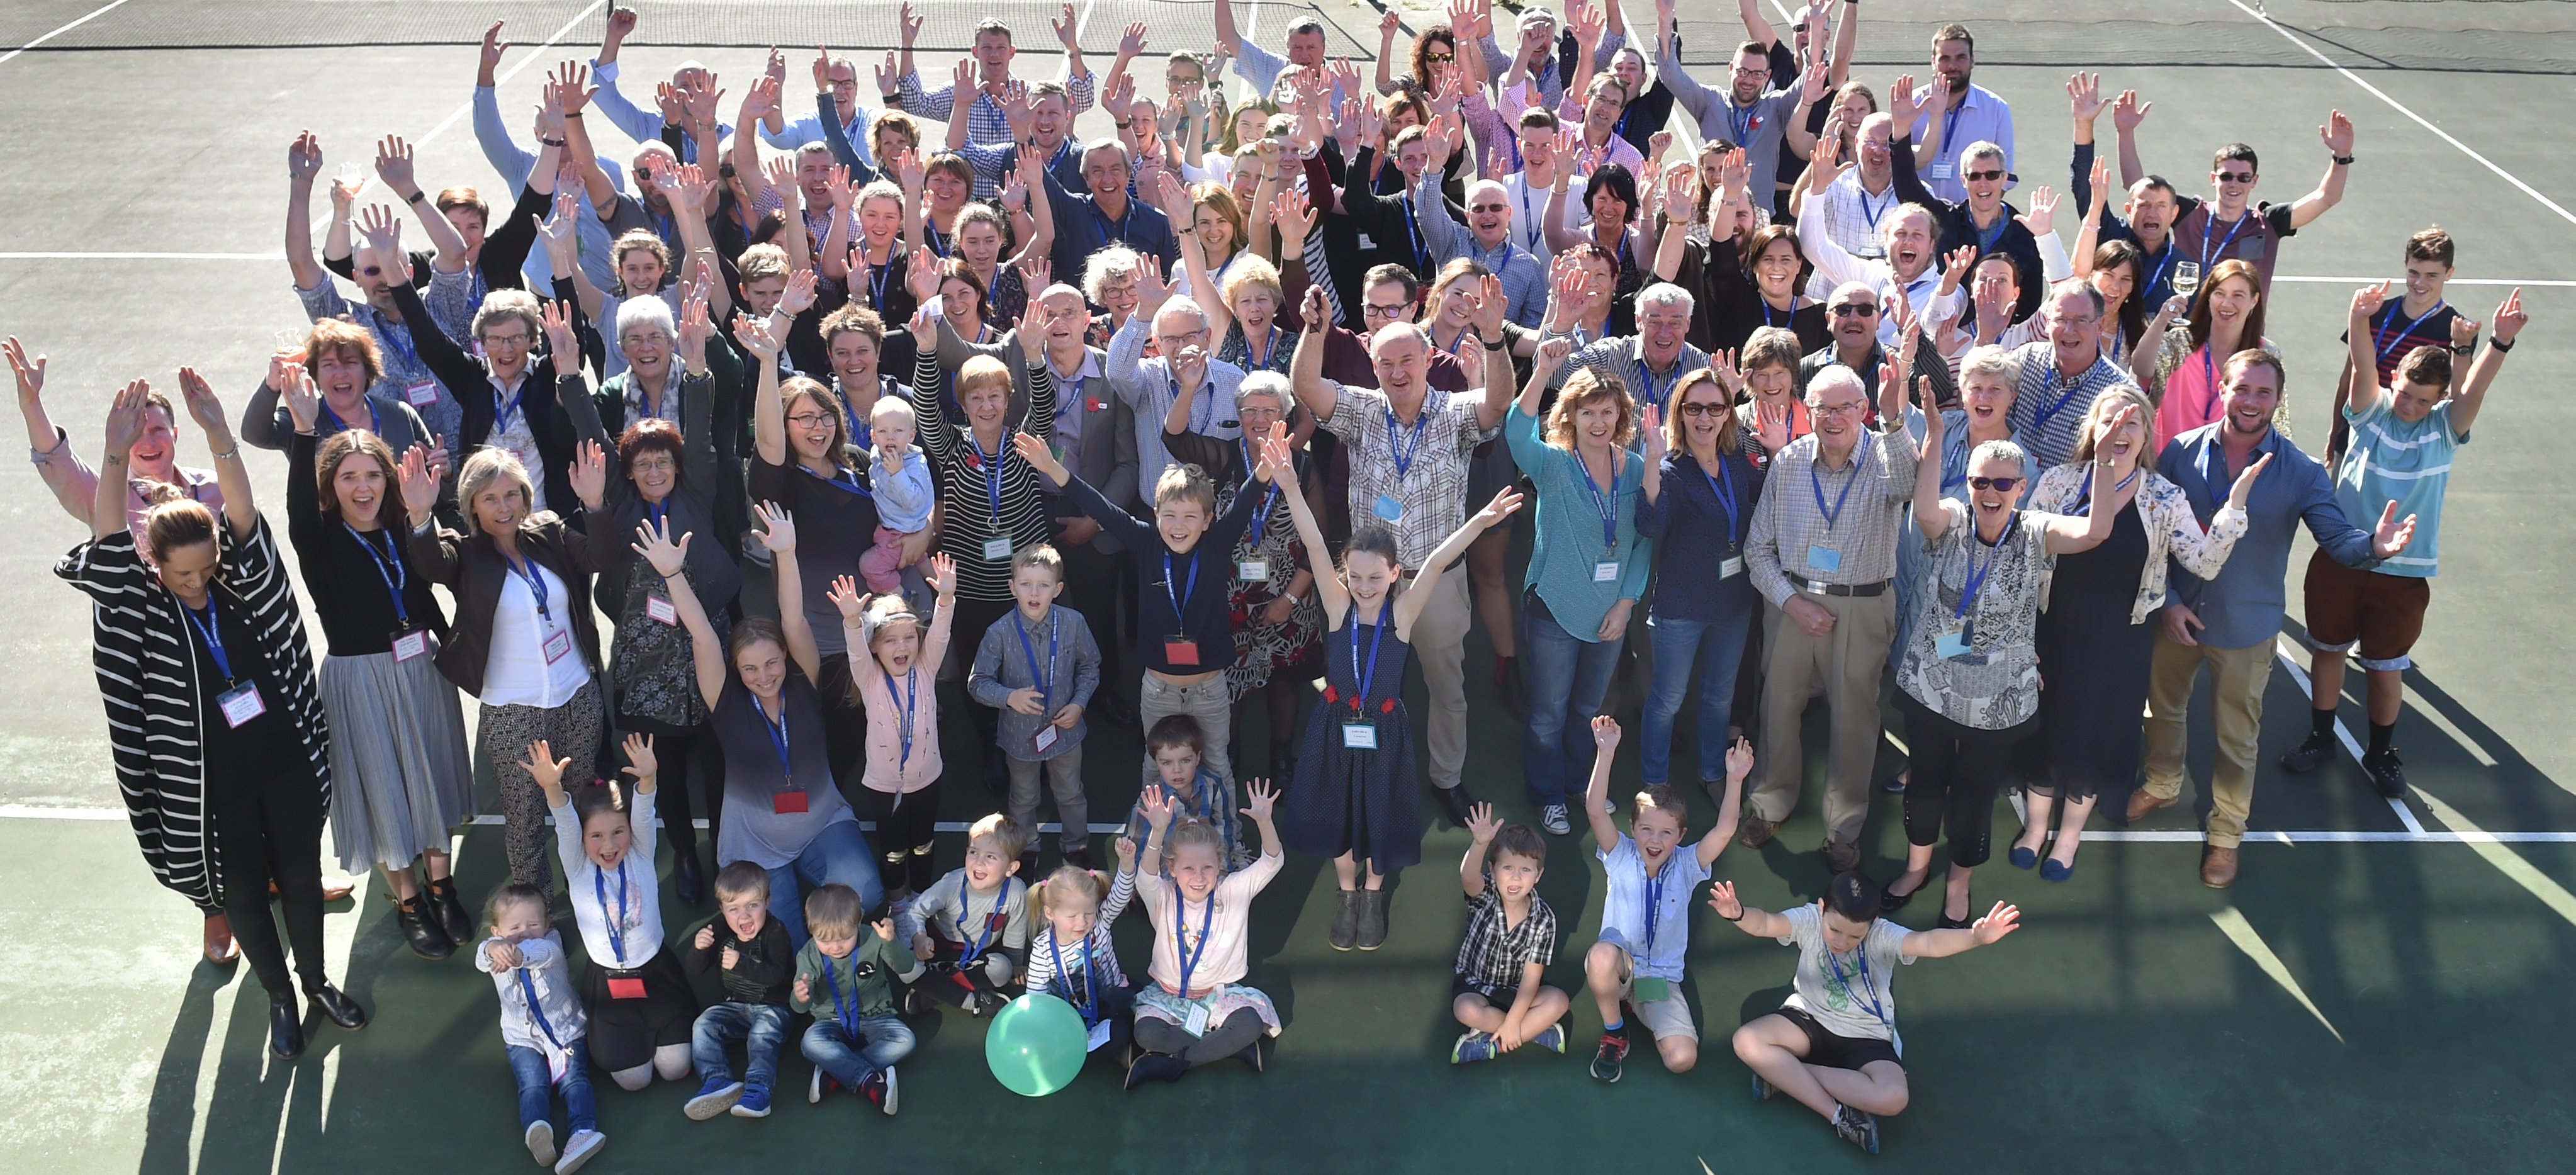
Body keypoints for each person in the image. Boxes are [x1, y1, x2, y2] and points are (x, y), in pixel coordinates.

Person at [59, 378, 364, 1059]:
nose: (199, 583)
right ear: (157, 568)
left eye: (206, 568)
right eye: (184, 574)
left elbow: (246, 512)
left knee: (301, 876)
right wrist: (113, 454)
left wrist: (219, 433)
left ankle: (315, 982)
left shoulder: (239, 583)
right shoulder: (141, 609)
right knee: (247, 898)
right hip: (211, 789)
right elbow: (110, 542)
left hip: (281, 762)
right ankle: (280, 998)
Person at [2133, 351, 2417, 888]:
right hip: (2175, 617)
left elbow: (2336, 539)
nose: (2251, 401)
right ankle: (2163, 781)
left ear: (2277, 400)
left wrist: (2374, 547)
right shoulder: (2177, 454)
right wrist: (2168, 598)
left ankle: (2225, 834)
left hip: (2246, 628)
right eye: (2242, 389)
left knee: (2236, 736)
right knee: (2162, 711)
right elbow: (2152, 537)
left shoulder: (2303, 472)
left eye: (2264, 393)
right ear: (2223, 390)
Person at [1274, 426, 1519, 949]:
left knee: (1379, 812)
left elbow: (1435, 563)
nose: (1363, 587)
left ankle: (1374, 889)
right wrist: (1290, 485)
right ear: (1344, 575)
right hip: (1336, 725)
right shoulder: (1338, 606)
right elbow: (1315, 543)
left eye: (1374, 578)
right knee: (1339, 809)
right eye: (1354, 577)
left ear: (1393, 575)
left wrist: (1480, 520)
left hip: (1383, 730)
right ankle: (1347, 892)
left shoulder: (1402, 613)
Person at [1885, 412, 2127, 926]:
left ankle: (1958, 883)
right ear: (1967, 483)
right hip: (1933, 682)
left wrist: (2103, 461)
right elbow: (1924, 508)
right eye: (1979, 481)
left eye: (2001, 483)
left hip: (1998, 698)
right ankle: (1916, 867)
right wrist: (1932, 435)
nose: (1989, 493)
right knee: (1926, 784)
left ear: (2021, 487)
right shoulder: (1950, 518)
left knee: (1973, 794)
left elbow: (2096, 530)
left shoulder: (2036, 530)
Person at [2281, 287, 2525, 797]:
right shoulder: (2369, 410)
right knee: (2327, 651)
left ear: (2439, 399)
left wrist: (2497, 344)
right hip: (2342, 559)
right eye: (2406, 393)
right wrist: (2358, 315)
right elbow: (2360, 362)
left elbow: (2473, 391)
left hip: (2402, 574)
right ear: (2395, 380)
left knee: (2384, 667)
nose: (2411, 405)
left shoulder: (2444, 429)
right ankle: (2320, 736)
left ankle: (2380, 752)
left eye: (2423, 399)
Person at [1290, 286, 1517, 824]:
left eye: (1407, 359)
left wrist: (1491, 338)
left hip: (1435, 581)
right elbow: (1305, 384)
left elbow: (1498, 402)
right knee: (1358, 690)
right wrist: (1312, 331)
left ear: (1426, 359)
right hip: (1371, 588)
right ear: (1372, 365)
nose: (1397, 371)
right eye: (1385, 362)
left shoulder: (1455, 411)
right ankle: (1361, 775)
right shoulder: (1360, 410)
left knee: (1446, 686)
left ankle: (1446, 778)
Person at [276, 369, 475, 959]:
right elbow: (296, 508)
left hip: (421, 670)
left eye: (372, 475)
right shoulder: (318, 538)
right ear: (330, 485)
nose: (362, 487)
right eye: (348, 477)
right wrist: (306, 431)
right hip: (359, 678)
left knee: (434, 779)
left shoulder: (402, 528)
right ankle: (409, 902)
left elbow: (431, 588)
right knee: (385, 791)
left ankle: (442, 887)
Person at [2018, 386, 2250, 878]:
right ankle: (2036, 827)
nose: (2119, 432)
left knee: (2097, 730)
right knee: (2047, 723)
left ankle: (2069, 836)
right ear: (2092, 429)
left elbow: (2204, 562)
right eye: (2109, 421)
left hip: (2121, 638)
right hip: (2054, 627)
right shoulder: (2061, 482)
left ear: (2146, 433)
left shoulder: (2164, 497)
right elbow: (2023, 552)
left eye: (2131, 423)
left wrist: (2232, 513)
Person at [551, 300, 738, 904]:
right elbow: (590, 435)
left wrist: (697, 366)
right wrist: (569, 373)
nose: (654, 469)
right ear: (627, 472)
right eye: (643, 463)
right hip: (644, 655)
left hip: (706, 636)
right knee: (664, 765)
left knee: (719, 753)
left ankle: (729, 852)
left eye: (663, 461)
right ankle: (683, 851)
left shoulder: (699, 485)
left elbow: (703, 428)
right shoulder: (623, 505)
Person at [655, 507, 886, 942]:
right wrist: (672, 575)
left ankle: (812, 868)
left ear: (786, 657)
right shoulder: (724, 701)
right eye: (750, 669)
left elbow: (793, 619)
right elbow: (703, 635)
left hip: (821, 824)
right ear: (735, 670)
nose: (763, 675)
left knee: (868, 896)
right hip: (755, 844)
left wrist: (786, 552)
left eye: (772, 662)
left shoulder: (803, 679)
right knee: (784, 942)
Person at [1015, 429, 1277, 806]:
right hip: (1158, 690)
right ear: (1156, 517)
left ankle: (1227, 847)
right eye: (1169, 515)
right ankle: (1148, 848)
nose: (1179, 525)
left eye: (1190, 516)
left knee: (1217, 765)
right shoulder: (1144, 540)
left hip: (1210, 691)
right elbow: (1100, 505)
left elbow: (1246, 500)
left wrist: (1265, 470)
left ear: (1208, 519)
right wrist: (1052, 468)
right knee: (1155, 770)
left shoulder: (1217, 543)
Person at [403, 444, 608, 889]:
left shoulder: (551, 531)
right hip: (514, 713)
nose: (504, 507)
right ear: (472, 505)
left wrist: (594, 504)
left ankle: (594, 890)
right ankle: (539, 914)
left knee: (583, 806)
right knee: (525, 819)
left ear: (525, 494)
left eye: (511, 494)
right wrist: (420, 516)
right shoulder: (466, 554)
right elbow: (431, 563)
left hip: (578, 695)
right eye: (490, 498)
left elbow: (598, 558)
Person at [1741, 364, 1913, 873]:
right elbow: (1758, 549)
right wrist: (1791, 603)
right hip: (1792, 602)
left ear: (1863, 409)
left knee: (1855, 718)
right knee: (1778, 706)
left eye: (1845, 407)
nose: (1833, 417)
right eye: (1822, 407)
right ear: (1807, 410)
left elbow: (1908, 479)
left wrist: (1894, 416)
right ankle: (1770, 802)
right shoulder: (1788, 461)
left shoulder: (1887, 455)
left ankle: (1844, 827)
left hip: (1862, 605)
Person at [1718, 872, 2025, 1155]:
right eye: (1834, 929)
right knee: (1747, 1040)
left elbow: (1928, 942)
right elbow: (1767, 924)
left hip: (1866, 1035)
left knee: (1893, 1098)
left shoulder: (1883, 935)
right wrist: (1739, 914)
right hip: (1809, 1018)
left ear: (1873, 923)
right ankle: (1838, 1116)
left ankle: (1785, 1075)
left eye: (1854, 936)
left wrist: (1975, 937)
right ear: (1823, 908)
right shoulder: (1809, 918)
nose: (1841, 942)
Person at [1510, 346, 1653, 836]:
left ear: (1621, 414)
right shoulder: (1551, 463)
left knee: (1590, 709)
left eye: (1607, 411)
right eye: (1587, 411)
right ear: (1569, 415)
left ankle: (1577, 783)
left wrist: (1625, 602)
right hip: (1553, 606)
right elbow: (1515, 430)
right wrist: (1544, 370)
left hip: (1610, 613)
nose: (1598, 421)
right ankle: (1547, 794)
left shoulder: (1634, 467)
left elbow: (1641, 542)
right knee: (1548, 711)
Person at [743, 317, 893, 780]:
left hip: (873, 629)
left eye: (825, 415)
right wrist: (769, 362)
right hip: (819, 643)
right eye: (804, 418)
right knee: (831, 740)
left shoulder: (860, 466)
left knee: (869, 731)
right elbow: (767, 438)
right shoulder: (778, 481)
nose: (817, 427)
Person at [1161, 373, 1324, 781]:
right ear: (1238, 415)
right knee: (1228, 688)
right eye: (1250, 410)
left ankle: (1281, 758)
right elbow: (1174, 438)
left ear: (1285, 416)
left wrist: (1288, 598)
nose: (1259, 418)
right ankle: (1228, 757)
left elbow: (1319, 542)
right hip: (1227, 601)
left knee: (1285, 684)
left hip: (1290, 598)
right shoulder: (1222, 457)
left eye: (1269, 410)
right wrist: (1189, 385)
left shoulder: (1302, 465)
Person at [1579, 718, 1753, 1083]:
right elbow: (1595, 810)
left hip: (1659, 979)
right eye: (1646, 829)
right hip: (1622, 965)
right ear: (1632, 829)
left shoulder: (1688, 866)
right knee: (1601, 955)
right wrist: (1606, 752)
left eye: (1666, 832)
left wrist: (1735, 780)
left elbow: (1724, 831)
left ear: (1681, 835)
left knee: (1682, 1059)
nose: (1654, 840)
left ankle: (1635, 1005)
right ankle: (1615, 1030)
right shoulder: (1621, 855)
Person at [526, 733, 695, 1091]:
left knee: (676, 1067)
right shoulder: (577, 867)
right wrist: (553, 789)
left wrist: (648, 780)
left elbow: (645, 813)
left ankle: (661, 1034)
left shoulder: (640, 853)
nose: (609, 845)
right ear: (584, 840)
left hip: (657, 975)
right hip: (609, 985)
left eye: (618, 832)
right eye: (597, 836)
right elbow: (567, 824)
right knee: (634, 1080)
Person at [1636, 369, 1772, 796]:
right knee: (1668, 700)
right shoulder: (1671, 468)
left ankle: (1711, 771)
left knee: (1719, 696)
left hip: (1733, 602)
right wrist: (1653, 460)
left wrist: (1776, 450)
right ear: (1679, 412)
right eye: (1693, 407)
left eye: (1715, 407)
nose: (1704, 417)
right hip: (1681, 607)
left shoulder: (1735, 459)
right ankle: (1654, 780)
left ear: (1727, 413)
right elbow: (1649, 524)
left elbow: (1767, 496)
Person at [1124, 780, 1286, 1086]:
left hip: (1219, 998)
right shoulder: (1164, 896)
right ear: (1171, 869)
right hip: (1168, 998)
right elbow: (1144, 876)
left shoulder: (1234, 891)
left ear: (1220, 865)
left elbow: (1272, 862)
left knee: (1248, 1022)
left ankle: (1174, 1064)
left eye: (1208, 868)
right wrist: (1158, 831)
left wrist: (1265, 822)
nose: (1199, 877)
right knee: (1145, 1032)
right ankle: (1227, 1049)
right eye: (1188, 869)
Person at [2110, 99, 2353, 295]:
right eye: (2226, 177)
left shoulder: (2269, 222)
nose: (2234, 184)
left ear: (2254, 181)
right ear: (2214, 179)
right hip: (2187, 328)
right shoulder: (2189, 214)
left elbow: (2326, 198)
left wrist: (2341, 156)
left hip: (2242, 334)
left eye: (2243, 177)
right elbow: (2137, 186)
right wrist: (2126, 132)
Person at [970, 544, 1104, 869]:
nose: (1034, 593)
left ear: (1057, 590)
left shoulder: (1073, 623)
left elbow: (1090, 667)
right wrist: (1009, 697)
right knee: (1023, 797)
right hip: (1019, 736)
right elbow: (977, 683)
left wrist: (1079, 704)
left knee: (1071, 793)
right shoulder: (998, 632)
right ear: (1012, 587)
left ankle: (1075, 847)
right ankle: (1026, 849)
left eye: (1043, 585)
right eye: (1026, 584)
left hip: (1066, 732)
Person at [837, 556, 959, 899]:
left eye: (909, 637)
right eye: (890, 640)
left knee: (923, 844)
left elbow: (941, 633)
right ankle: (899, 905)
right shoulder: (870, 679)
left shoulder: (926, 668)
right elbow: (856, 653)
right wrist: (851, 620)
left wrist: (946, 599)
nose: (902, 647)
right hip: (883, 785)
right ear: (874, 646)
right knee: (893, 850)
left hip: (928, 779)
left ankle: (921, 899)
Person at [475, 882, 605, 1173]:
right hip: (521, 1036)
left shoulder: (551, 945)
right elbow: (481, 957)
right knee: (532, 1084)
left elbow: (536, 953)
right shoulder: (492, 949)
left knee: (574, 1079)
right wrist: (494, 949)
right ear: (496, 931)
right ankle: (538, 1130)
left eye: (533, 924)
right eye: (514, 928)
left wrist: (514, 955)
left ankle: (583, 1131)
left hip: (565, 1031)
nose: (524, 932)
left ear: (547, 925)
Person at [1449, 804, 1568, 1064]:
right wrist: (1480, 843)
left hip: (1516, 990)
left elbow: (1531, 978)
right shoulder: (1487, 895)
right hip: (1475, 984)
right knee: (1465, 1009)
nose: (1516, 878)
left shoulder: (1544, 919)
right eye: (1508, 868)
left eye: (1525, 870)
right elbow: (1468, 877)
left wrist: (1514, 1020)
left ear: (1538, 876)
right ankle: (1534, 1030)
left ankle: (1496, 1042)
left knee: (1558, 1001)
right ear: (1492, 871)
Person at [680, 862, 794, 1121]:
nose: (744, 917)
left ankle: (759, 1088)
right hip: (735, 1007)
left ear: (767, 901)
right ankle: (718, 1081)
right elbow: (695, 969)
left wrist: (741, 964)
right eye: (734, 909)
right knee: (704, 1024)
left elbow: (776, 976)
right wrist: (699, 948)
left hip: (774, 1009)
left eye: (752, 906)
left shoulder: (776, 932)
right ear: (722, 909)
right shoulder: (720, 929)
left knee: (761, 1034)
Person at [790, 882, 913, 1113]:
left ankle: (834, 1072)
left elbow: (906, 966)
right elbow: (799, 1008)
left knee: (906, 1040)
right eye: (824, 940)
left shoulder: (872, 938)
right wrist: (800, 996)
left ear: (859, 923)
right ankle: (870, 1081)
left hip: (877, 1018)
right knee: (810, 1042)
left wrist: (890, 942)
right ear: (811, 931)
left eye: (845, 937)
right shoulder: (808, 954)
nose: (835, 947)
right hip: (830, 1022)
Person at [2137, 259, 2278, 452]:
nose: (2227, 303)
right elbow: (2140, 368)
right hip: (2169, 467)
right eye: (2220, 293)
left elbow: (2276, 420)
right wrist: (2162, 320)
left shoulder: (2266, 354)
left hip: (2230, 472)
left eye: (2238, 295)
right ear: (2208, 297)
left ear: (2254, 300)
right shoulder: (2181, 342)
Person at [898, 812, 1032, 1016]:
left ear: (1011, 868)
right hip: (935, 949)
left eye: (991, 857)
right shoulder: (952, 883)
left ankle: (931, 991)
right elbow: (914, 911)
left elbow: (1016, 931)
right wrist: (920, 938)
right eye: (973, 852)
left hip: (977, 957)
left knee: (1002, 969)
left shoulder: (1016, 891)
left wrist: (1016, 964)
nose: (979, 863)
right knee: (904, 962)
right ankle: (974, 1001)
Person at [1024, 853, 1140, 1072]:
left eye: (1089, 912)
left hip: (1112, 997)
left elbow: (1120, 896)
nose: (1083, 922)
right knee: (1119, 1034)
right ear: (1050, 913)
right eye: (1072, 916)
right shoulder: (1043, 949)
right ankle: (1109, 1052)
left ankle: (1122, 1049)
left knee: (1140, 1004)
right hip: (1071, 1015)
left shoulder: (1101, 924)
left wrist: (1126, 865)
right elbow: (1036, 996)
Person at [1902, 24, 2012, 206]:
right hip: (1917, 218)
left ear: (1972, 60)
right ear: (1933, 62)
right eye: (1944, 58)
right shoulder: (1910, 103)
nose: (1952, 66)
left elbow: (2006, 175)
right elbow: (1895, 163)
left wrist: (1976, 212)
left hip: (1969, 219)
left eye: (1961, 57)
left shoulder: (1997, 109)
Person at [1124, 715, 1246, 869]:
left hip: (1208, 868)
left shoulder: (1213, 786)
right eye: (1167, 763)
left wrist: (1222, 869)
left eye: (1186, 761)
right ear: (1156, 763)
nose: (1177, 770)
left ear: (1198, 758)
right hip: (1167, 874)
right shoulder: (1149, 801)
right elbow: (1136, 847)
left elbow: (1225, 830)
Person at [858, 397, 933, 597]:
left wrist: (898, 474)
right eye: (883, 431)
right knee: (920, 558)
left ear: (911, 435)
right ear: (873, 436)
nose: (890, 437)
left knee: (870, 566)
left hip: (900, 532)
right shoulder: (878, 455)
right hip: (893, 524)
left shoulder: (914, 466)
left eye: (898, 431)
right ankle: (939, 586)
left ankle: (905, 597)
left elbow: (914, 503)